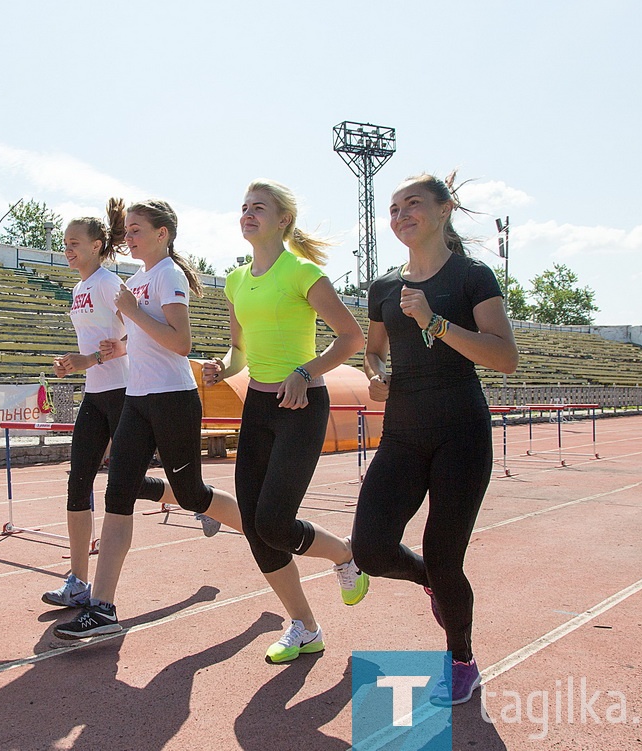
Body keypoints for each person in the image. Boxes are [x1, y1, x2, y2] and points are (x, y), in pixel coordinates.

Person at [351, 172, 519, 705]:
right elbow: (374, 350)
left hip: (461, 434)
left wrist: (435, 320)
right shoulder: (383, 288)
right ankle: (431, 579)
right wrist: (376, 374)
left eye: (413, 205)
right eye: (394, 208)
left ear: (444, 210)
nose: (400, 216)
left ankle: (461, 658)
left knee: (447, 556)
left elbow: (505, 358)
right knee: (371, 550)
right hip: (402, 432)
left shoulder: (472, 276)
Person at [55, 199, 243, 639]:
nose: (129, 237)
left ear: (163, 234)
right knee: (117, 495)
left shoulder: (167, 275)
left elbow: (181, 343)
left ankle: (254, 527)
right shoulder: (137, 280)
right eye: (128, 230)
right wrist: (95, 356)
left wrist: (134, 312)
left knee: (192, 493)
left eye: (138, 230)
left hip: (173, 399)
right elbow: (130, 341)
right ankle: (102, 608)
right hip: (137, 400)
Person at [202, 179, 368, 663]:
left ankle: (344, 553)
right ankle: (305, 626)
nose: (248, 213)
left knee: (273, 522)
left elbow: (351, 337)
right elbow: (239, 352)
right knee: (256, 529)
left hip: (300, 407)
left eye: (259, 207)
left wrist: (305, 370)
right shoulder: (235, 281)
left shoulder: (303, 273)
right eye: (244, 207)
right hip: (257, 409)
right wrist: (222, 367)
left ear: (283, 221)